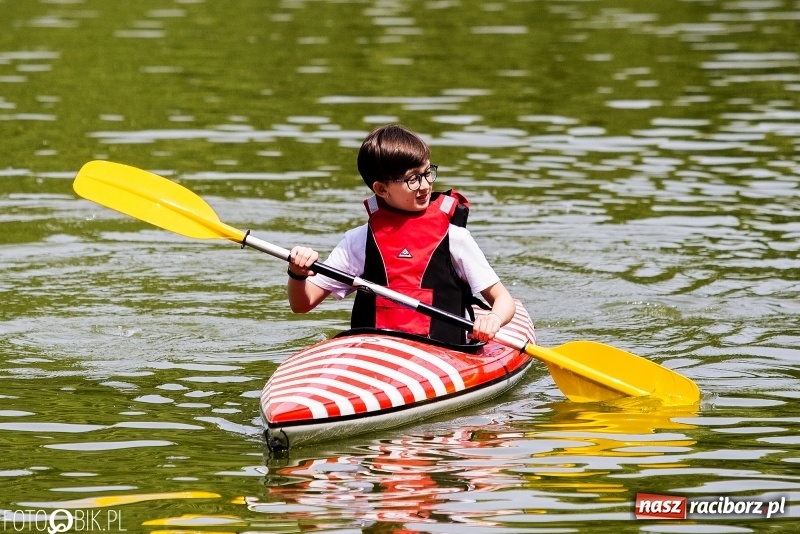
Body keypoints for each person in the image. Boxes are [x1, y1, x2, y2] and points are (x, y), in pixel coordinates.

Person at [286, 124, 516, 344]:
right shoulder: (359, 241)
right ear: (381, 189)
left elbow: (503, 300)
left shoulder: (454, 238)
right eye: (413, 179)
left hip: (447, 351)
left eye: (427, 173)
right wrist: (298, 274)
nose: (425, 186)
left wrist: (493, 319)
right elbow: (302, 304)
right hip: (374, 352)